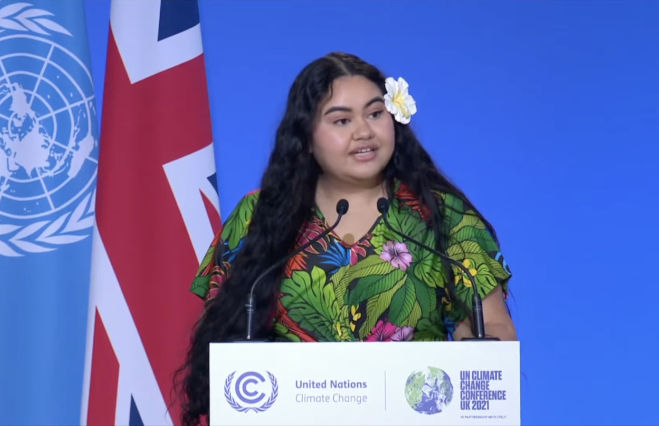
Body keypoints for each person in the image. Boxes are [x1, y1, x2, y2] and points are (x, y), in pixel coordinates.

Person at [175, 52, 516, 426]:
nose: (364, 132)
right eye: (342, 120)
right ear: (305, 137)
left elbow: (492, 328)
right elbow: (225, 330)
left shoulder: (441, 215)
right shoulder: (258, 217)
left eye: (375, 114)